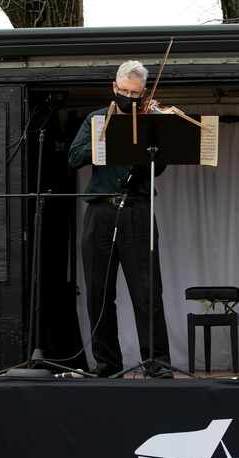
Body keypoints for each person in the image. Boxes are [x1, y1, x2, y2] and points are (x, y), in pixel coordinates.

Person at [68, 60, 172, 378]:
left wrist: (155, 129)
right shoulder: (97, 119)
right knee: (100, 293)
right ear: (114, 88)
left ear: (143, 94)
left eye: (136, 94)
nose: (130, 98)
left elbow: (163, 165)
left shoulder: (151, 120)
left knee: (147, 291)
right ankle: (108, 363)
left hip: (137, 209)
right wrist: (106, 141)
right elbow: (74, 157)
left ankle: (157, 363)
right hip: (101, 211)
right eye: (125, 92)